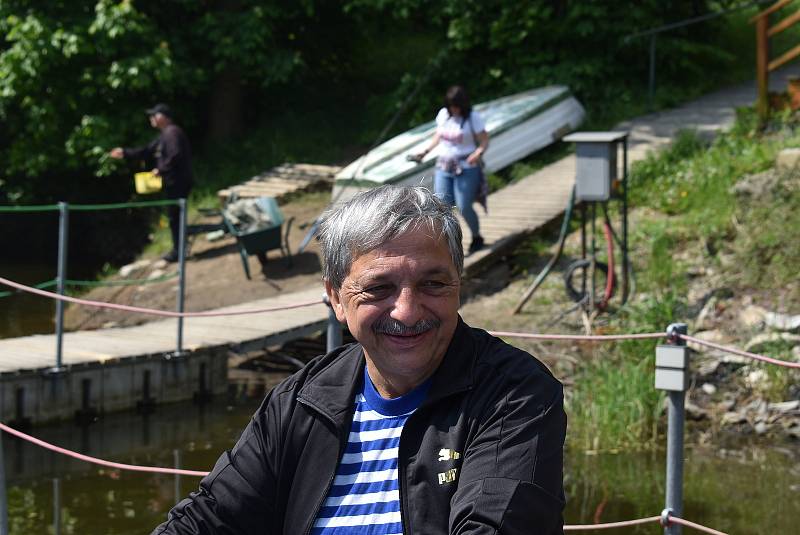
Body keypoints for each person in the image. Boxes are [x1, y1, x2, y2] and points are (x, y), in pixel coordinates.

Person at [151, 185, 566, 535]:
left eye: (433, 283)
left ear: (459, 283)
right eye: (378, 289)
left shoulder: (513, 394)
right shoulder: (301, 402)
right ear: (335, 298)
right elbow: (207, 519)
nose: (406, 310)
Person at [110, 103, 193, 263]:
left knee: (176, 216)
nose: (151, 118)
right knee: (174, 216)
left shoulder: (172, 133)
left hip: (178, 182)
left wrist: (160, 170)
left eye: (154, 115)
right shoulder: (164, 135)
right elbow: (146, 151)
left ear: (163, 117)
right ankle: (179, 248)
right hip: (172, 182)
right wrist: (125, 153)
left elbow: (175, 155)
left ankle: (179, 251)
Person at [413, 85, 490, 254]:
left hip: (466, 166)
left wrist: (478, 153)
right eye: (451, 106)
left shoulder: (473, 118)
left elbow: (484, 140)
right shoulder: (444, 115)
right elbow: (438, 136)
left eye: (456, 106)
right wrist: (424, 152)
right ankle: (448, 246)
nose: (454, 109)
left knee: (463, 206)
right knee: (441, 207)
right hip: (444, 165)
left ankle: (477, 237)